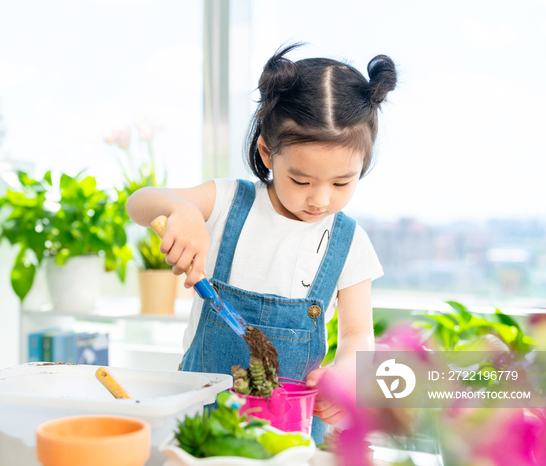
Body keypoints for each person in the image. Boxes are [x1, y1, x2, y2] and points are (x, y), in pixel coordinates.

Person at [126, 43, 397, 443]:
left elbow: (358, 335)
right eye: (302, 181)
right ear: (268, 152)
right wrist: (181, 210)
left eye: (342, 183)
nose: (320, 199)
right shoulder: (228, 203)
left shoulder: (348, 241)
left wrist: (345, 377)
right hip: (201, 427)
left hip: (292, 433)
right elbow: (139, 203)